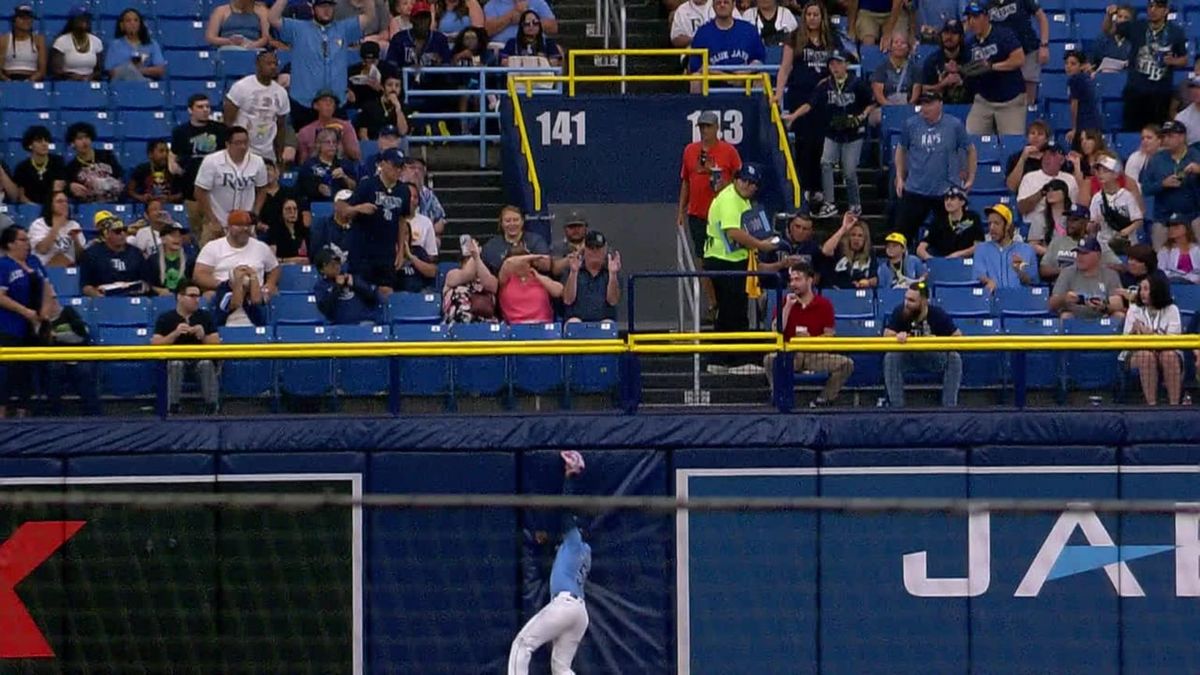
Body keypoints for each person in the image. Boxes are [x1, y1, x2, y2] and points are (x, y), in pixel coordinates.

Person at [507, 450, 591, 675]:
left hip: (564, 606)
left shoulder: (574, 539)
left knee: (522, 645)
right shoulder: (584, 550)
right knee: (561, 667)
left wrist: (569, 477)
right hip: (579, 614)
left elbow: (565, 509)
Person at [702, 164, 777, 374]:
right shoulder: (729, 199)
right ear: (736, 179)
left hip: (732, 259)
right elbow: (733, 232)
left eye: (753, 183)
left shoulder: (742, 201)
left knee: (728, 311)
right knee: (734, 310)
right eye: (744, 180)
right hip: (724, 260)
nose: (748, 185)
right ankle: (738, 361)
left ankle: (719, 360)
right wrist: (761, 245)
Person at [784, 50, 874, 218]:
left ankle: (855, 205)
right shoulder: (825, 85)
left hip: (853, 134)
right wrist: (794, 116)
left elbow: (870, 103)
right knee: (825, 163)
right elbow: (810, 104)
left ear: (846, 64)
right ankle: (829, 203)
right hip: (832, 131)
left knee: (848, 171)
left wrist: (861, 117)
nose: (835, 67)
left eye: (839, 63)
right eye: (832, 64)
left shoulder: (857, 83)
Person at [268, 0, 376, 130]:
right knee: (304, 147)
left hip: (335, 104)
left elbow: (369, 17)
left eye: (330, 6)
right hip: (304, 103)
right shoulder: (298, 28)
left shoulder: (343, 29)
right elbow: (272, 18)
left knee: (337, 147)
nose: (326, 10)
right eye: (322, 6)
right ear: (313, 8)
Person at [677, 110, 741, 316]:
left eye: (708, 126)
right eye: (702, 127)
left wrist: (722, 182)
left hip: (723, 215)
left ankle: (727, 300)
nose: (705, 131)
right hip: (698, 214)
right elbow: (685, 181)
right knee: (702, 259)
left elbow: (739, 183)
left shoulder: (729, 151)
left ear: (717, 128)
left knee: (723, 259)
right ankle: (713, 302)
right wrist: (681, 211)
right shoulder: (689, 150)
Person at [762, 261, 853, 406]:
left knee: (846, 364)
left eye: (798, 279)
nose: (793, 284)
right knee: (769, 360)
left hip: (815, 354)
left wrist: (811, 340)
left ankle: (823, 400)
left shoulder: (824, 304)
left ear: (809, 280)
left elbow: (830, 336)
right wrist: (788, 307)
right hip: (790, 354)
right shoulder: (784, 302)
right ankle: (778, 395)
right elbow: (776, 330)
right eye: (791, 280)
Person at [893, 90, 977, 243]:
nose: (925, 108)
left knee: (951, 238)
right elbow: (901, 149)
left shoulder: (954, 125)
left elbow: (970, 149)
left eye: (930, 104)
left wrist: (971, 177)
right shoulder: (910, 124)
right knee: (900, 237)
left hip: (945, 192)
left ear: (940, 104)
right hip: (915, 190)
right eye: (923, 104)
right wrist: (899, 177)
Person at [774, 1, 834, 205]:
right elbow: (785, 67)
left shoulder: (830, 39)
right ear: (804, 16)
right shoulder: (794, 37)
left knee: (820, 144)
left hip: (823, 98)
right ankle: (805, 187)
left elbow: (841, 63)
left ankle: (817, 188)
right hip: (799, 95)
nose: (812, 18)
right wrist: (778, 93)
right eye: (808, 14)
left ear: (822, 17)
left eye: (816, 14)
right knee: (803, 142)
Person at [1110, 0, 1188, 132]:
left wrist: (1172, 61)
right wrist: (1109, 16)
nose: (1153, 10)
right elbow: (1110, 30)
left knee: (1158, 135)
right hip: (1136, 92)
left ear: (1166, 10)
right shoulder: (1137, 26)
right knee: (1132, 134)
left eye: (1158, 7)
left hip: (1160, 94)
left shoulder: (1176, 32)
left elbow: (1184, 59)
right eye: (1150, 6)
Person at [194, 210, 281, 327]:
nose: (244, 229)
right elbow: (199, 275)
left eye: (247, 225)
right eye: (239, 225)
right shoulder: (213, 247)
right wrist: (228, 284)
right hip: (224, 293)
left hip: (254, 294)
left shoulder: (261, 247)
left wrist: (269, 285)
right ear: (229, 227)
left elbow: (274, 268)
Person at [340, 148, 412, 290]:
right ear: (383, 164)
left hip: (387, 253)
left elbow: (402, 221)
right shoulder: (367, 185)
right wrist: (359, 208)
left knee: (386, 291)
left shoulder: (404, 191)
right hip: (363, 252)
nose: (397, 170)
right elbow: (344, 212)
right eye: (394, 166)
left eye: (400, 167)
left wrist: (400, 251)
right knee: (362, 291)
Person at [883, 281, 963, 407]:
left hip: (933, 356)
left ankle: (949, 407)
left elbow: (958, 336)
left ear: (924, 301)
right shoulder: (901, 311)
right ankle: (897, 407)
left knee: (954, 358)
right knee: (891, 357)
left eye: (911, 300)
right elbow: (886, 334)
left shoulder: (937, 313)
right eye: (906, 299)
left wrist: (937, 341)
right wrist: (897, 336)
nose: (906, 304)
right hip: (909, 356)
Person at [0, 226, 52, 418]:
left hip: (34, 328)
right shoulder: (4, 265)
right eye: (22, 240)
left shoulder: (34, 261)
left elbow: (47, 288)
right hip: (9, 326)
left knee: (27, 373)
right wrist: (25, 312)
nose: (27, 244)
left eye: (27, 240)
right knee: (6, 373)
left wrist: (44, 313)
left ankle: (24, 413)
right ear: (10, 244)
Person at [151, 279, 221, 414]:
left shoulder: (205, 316)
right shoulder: (166, 318)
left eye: (198, 296)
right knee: (175, 364)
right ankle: (173, 407)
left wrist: (203, 336)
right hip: (176, 359)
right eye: (192, 296)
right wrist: (175, 334)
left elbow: (216, 344)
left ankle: (211, 406)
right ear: (179, 297)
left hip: (200, 359)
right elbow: (155, 344)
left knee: (206, 364)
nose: (197, 300)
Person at [194, 126, 269, 246]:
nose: (243, 147)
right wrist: (212, 219)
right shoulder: (212, 161)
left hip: (245, 224)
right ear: (227, 144)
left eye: (245, 143)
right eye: (238, 143)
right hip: (218, 222)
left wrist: (255, 213)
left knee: (247, 261)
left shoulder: (258, 162)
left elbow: (263, 188)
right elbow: (199, 191)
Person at [962, 1, 1027, 135]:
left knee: (1012, 143)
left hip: (1010, 101)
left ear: (986, 17)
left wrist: (993, 66)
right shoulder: (969, 43)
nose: (972, 22)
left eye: (975, 17)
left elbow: (1019, 59)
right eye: (969, 18)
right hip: (984, 101)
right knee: (970, 139)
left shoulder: (1003, 35)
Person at [171, 94, 227, 241]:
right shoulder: (180, 132)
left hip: (215, 193)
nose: (205, 110)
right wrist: (176, 168)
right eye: (200, 107)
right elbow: (173, 156)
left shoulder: (220, 130)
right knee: (197, 234)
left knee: (213, 233)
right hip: (191, 191)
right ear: (190, 110)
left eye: (207, 106)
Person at [1124, 272, 1183, 405]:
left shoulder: (1172, 310)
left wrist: (1145, 332)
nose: (1143, 293)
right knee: (1147, 356)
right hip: (1137, 354)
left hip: (1167, 352)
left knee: (1168, 356)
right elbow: (1126, 342)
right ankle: (1152, 406)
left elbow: (1173, 341)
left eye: (1146, 289)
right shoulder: (1134, 310)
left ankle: (1175, 405)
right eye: (1141, 289)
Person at [224, 50, 290, 163]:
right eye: (269, 64)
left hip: (267, 152)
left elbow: (281, 126)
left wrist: (279, 154)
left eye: (275, 64)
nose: (273, 67)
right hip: (243, 149)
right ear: (258, 65)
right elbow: (228, 121)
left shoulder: (281, 93)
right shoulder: (241, 87)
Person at [1141, 120, 1200, 246]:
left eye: (1170, 136)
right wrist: (1162, 184)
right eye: (1164, 136)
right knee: (1158, 241)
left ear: (1182, 137)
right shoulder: (1156, 159)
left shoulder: (1196, 156)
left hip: (1192, 215)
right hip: (1164, 218)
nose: (1166, 140)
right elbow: (1145, 188)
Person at [686, 0, 766, 92]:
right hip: (713, 81)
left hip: (745, 80)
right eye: (718, 3)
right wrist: (726, 77)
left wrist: (744, 73)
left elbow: (759, 60)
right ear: (713, 6)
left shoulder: (749, 30)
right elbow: (696, 67)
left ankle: (760, 106)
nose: (722, 5)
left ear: (733, 5)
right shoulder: (702, 33)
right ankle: (698, 106)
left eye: (726, 2)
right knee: (696, 79)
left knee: (762, 77)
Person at [985, 0, 1049, 105]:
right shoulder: (987, 4)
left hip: (1028, 50)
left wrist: (1044, 45)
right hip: (1004, 57)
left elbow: (1042, 18)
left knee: (1028, 99)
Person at [1017, 143, 1079, 252]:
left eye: (1053, 154)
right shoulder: (1030, 178)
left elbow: (1076, 208)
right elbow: (1022, 208)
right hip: (1037, 230)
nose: (1047, 157)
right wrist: (1042, 193)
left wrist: (1077, 168)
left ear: (1062, 159)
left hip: (1063, 227)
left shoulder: (1070, 179)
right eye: (1045, 154)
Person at [1049, 236, 1125, 319]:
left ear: (1098, 255)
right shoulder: (1067, 272)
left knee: (1119, 316)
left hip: (1103, 318)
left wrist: (1104, 307)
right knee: (1066, 316)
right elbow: (1051, 304)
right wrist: (1064, 298)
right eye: (1078, 253)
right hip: (1075, 318)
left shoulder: (1110, 274)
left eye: (1085, 253)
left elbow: (1118, 304)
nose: (1080, 257)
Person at [79, 212, 150, 297]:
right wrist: (96, 295)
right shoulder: (92, 254)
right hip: (104, 300)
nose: (123, 234)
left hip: (132, 298)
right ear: (106, 234)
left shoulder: (136, 253)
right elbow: (85, 286)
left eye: (124, 230)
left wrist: (143, 286)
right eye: (118, 231)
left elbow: (146, 281)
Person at [1039, 205, 1118, 281]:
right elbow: (1043, 270)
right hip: (1061, 288)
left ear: (1085, 222)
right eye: (1069, 219)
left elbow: (1120, 267)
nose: (1070, 223)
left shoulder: (1096, 243)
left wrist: (1094, 266)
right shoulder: (1057, 242)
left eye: (1075, 220)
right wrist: (1064, 271)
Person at [974, 203, 1037, 292]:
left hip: (1019, 301)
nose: (991, 228)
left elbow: (1032, 282)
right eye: (989, 224)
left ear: (1007, 225)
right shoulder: (982, 249)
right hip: (992, 299)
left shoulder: (1026, 250)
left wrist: (1020, 270)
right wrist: (988, 281)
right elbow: (979, 275)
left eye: (996, 223)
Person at [313, 247, 384, 323]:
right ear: (322, 269)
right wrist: (338, 287)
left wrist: (355, 284)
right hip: (340, 327)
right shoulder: (321, 287)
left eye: (337, 262)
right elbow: (326, 309)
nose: (336, 266)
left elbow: (373, 297)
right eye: (331, 264)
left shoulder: (353, 277)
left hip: (364, 322)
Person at [562, 231, 620, 323]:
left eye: (598, 248)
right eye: (591, 248)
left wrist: (613, 274)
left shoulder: (611, 271)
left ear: (605, 250)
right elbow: (568, 300)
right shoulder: (572, 270)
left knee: (608, 324)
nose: (594, 251)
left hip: (603, 321)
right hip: (577, 320)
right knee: (573, 322)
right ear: (584, 250)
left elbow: (613, 301)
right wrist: (573, 272)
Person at [1090, 154, 1144, 251]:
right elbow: (1092, 226)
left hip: (1126, 244)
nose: (1101, 174)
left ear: (1115, 174)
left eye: (1105, 171)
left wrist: (1125, 231)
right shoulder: (1097, 198)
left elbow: (1138, 220)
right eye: (1099, 171)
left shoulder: (1127, 196)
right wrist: (1094, 224)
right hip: (1104, 245)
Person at [916, 186, 984, 260]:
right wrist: (930, 259)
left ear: (962, 202)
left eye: (952, 199)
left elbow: (979, 246)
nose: (948, 202)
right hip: (943, 262)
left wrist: (960, 254)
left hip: (967, 261)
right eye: (946, 199)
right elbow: (921, 247)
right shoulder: (939, 220)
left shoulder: (973, 218)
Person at [915, 19, 972, 105]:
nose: (949, 37)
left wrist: (962, 80)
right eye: (945, 33)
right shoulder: (933, 60)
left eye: (954, 33)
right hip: (940, 107)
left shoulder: (970, 57)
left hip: (969, 106)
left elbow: (981, 88)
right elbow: (925, 89)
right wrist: (943, 83)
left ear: (961, 37)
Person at [443, 236, 499, 323]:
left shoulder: (488, 276)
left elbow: (491, 286)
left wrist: (477, 258)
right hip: (457, 324)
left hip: (486, 325)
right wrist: (475, 255)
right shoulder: (452, 275)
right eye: (467, 260)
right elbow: (468, 274)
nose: (472, 264)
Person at [296, 90, 362, 163]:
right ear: (316, 106)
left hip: (342, 169)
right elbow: (303, 162)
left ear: (334, 107)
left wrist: (342, 138)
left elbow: (356, 156)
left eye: (331, 101)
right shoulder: (305, 132)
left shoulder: (346, 126)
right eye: (324, 100)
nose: (328, 104)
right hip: (316, 170)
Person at [498, 247, 561, 324]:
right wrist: (536, 256)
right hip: (514, 326)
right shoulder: (505, 280)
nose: (521, 265)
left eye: (525, 262)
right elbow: (508, 262)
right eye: (518, 263)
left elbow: (558, 292)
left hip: (542, 325)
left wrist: (537, 276)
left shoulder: (539, 278)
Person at [64, 121, 123, 203]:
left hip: (112, 203)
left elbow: (120, 177)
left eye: (87, 137)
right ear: (72, 144)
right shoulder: (71, 168)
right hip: (89, 207)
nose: (84, 142)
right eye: (79, 138)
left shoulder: (107, 155)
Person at [482, 205, 550, 274]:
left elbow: (547, 266)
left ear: (522, 222)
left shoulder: (536, 241)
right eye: (507, 221)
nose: (512, 224)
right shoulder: (492, 245)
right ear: (501, 223)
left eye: (516, 220)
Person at [104, 8, 167, 81]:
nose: (132, 23)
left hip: (144, 83)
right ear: (122, 25)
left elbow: (160, 70)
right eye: (128, 21)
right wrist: (128, 71)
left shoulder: (152, 44)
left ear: (141, 24)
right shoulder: (114, 45)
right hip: (122, 83)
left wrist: (138, 71)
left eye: (136, 20)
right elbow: (111, 71)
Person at [300, 128, 359, 204]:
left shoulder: (345, 164)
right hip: (318, 203)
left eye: (334, 142)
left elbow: (355, 187)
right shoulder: (310, 164)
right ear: (319, 145)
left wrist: (345, 177)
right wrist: (318, 188)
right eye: (328, 142)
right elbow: (303, 187)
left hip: (343, 205)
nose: (332, 145)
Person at [28, 190, 85, 268]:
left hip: (70, 268)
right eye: (59, 201)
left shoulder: (74, 225)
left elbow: (81, 257)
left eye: (66, 202)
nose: (64, 204)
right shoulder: (39, 224)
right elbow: (42, 249)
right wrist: (56, 226)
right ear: (50, 205)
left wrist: (76, 240)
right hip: (44, 268)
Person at [870, 34, 919, 124]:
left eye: (903, 43)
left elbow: (916, 94)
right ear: (890, 46)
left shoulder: (914, 68)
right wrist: (891, 108)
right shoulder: (881, 68)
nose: (899, 45)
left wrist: (906, 107)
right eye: (896, 42)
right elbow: (878, 94)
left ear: (908, 47)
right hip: (886, 106)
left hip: (908, 106)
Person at [12, 126, 65, 206]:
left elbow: (59, 190)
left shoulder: (57, 162)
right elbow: (21, 196)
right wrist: (33, 207)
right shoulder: (22, 168)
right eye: (39, 141)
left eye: (46, 140)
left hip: (53, 207)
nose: (44, 144)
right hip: (30, 208)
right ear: (30, 145)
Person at [822, 212, 877, 289]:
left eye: (860, 236)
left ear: (865, 239)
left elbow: (874, 279)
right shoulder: (840, 249)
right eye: (853, 235)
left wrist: (868, 283)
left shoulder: (870, 253)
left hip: (862, 293)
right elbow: (825, 250)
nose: (856, 239)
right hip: (838, 293)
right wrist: (844, 228)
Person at [310, 189, 363, 267]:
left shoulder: (360, 228)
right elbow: (316, 254)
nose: (350, 206)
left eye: (352, 203)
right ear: (335, 205)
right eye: (346, 203)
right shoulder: (323, 225)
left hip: (353, 274)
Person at [50, 6, 102, 81]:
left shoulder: (97, 41)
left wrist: (91, 76)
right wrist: (70, 76)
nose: (84, 21)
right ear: (72, 21)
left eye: (86, 18)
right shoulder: (61, 41)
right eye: (80, 18)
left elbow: (99, 70)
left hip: (90, 82)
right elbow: (56, 70)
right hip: (67, 82)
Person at [355, 73, 410, 140]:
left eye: (397, 86)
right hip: (373, 145)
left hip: (395, 146)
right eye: (389, 85)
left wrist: (398, 109)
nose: (393, 89)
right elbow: (363, 134)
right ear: (383, 87)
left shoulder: (403, 107)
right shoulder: (370, 106)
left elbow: (403, 132)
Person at [146, 222, 196, 296]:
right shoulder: (153, 260)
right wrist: (159, 290)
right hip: (160, 298)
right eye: (173, 235)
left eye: (179, 236)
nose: (177, 239)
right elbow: (147, 283)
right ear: (163, 239)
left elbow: (194, 282)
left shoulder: (190, 259)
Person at [128, 139, 184, 205]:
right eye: (161, 151)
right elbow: (130, 191)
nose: (165, 154)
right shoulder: (141, 169)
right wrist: (141, 197)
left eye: (167, 151)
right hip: (147, 206)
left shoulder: (175, 169)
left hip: (170, 206)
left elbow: (184, 193)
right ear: (150, 154)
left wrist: (170, 198)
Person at [399, 158, 446, 235]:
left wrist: (426, 231)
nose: (416, 172)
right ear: (403, 170)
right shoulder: (396, 190)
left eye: (420, 169)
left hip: (423, 236)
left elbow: (440, 222)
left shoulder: (428, 195)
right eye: (412, 168)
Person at [0, 4, 46, 81]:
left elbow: (42, 70)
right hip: (8, 79)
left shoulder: (39, 40)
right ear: (14, 21)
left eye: (29, 18)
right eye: (22, 18)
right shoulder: (4, 40)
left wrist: (29, 81)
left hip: (32, 79)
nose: (26, 21)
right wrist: (8, 81)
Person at [1004, 120, 1052, 193]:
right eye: (1032, 133)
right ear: (1027, 137)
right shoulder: (1015, 157)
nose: (1035, 137)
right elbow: (1011, 187)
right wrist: (1022, 159)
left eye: (1040, 134)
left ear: (1046, 139)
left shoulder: (1053, 156)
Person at [1065, 51, 1102, 145]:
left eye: (1073, 64)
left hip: (1084, 123)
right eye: (1066, 63)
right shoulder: (1086, 78)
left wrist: (1074, 128)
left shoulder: (1075, 80)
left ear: (1081, 66)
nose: (1068, 66)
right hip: (1094, 122)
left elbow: (1074, 105)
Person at [484, 0, 557, 47]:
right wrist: (510, 17)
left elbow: (553, 28)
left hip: (536, 47)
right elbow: (486, 31)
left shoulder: (538, 2)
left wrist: (528, 19)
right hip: (502, 51)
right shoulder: (492, 5)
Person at [206, 0, 271, 50]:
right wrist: (228, 41)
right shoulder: (221, 11)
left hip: (253, 47)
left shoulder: (262, 11)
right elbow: (210, 37)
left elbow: (266, 37)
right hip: (229, 47)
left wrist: (253, 45)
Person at [1157, 213, 1200, 283]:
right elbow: (1161, 271)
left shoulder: (1197, 249)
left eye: (1176, 226)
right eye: (1170, 226)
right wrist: (1179, 276)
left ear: (1186, 228)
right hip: (1174, 283)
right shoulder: (1165, 250)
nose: (1171, 229)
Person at [266, 197, 310, 263]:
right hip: (283, 268)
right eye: (288, 209)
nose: (292, 212)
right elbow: (272, 260)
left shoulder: (304, 231)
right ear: (282, 212)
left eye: (295, 209)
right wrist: (290, 260)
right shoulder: (274, 231)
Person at [1091, 4, 1134, 69]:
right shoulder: (1103, 39)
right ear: (1115, 18)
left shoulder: (1135, 41)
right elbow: (1094, 62)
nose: (1122, 20)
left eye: (1126, 18)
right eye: (1120, 16)